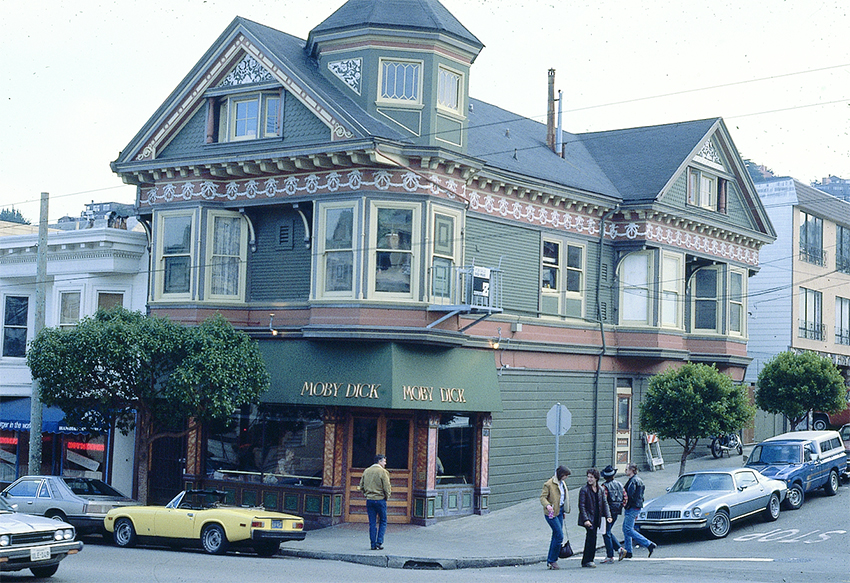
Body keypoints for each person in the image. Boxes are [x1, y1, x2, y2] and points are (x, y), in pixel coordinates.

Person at [622, 462, 657, 559]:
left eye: (627, 469)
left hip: (632, 507)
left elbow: (630, 496)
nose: (625, 471)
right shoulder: (636, 480)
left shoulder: (633, 482)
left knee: (628, 529)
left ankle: (648, 544)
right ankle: (628, 551)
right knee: (626, 529)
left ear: (632, 470)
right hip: (635, 507)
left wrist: (625, 504)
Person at [577, 468, 611, 568]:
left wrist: (608, 515)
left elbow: (604, 503)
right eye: (588, 477)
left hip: (597, 517)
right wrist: (586, 519)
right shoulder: (584, 490)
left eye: (591, 477)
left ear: (596, 478)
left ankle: (588, 560)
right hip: (589, 517)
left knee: (593, 538)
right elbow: (581, 506)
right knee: (591, 538)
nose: (589, 479)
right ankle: (588, 560)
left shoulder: (600, 489)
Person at [539, 465, 571, 570]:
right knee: (559, 535)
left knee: (556, 535)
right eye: (566, 475)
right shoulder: (548, 484)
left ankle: (550, 560)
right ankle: (553, 560)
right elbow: (542, 497)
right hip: (551, 512)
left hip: (560, 511)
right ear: (561, 475)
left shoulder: (562, 483)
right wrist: (547, 505)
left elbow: (562, 498)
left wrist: (564, 510)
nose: (567, 477)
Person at [358, 454, 392, 550]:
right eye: (384, 461)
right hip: (380, 500)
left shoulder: (366, 471)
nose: (385, 463)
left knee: (372, 523)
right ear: (379, 461)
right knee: (383, 521)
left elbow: (361, 486)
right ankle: (379, 541)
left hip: (370, 500)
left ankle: (372, 544)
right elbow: (387, 487)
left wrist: (366, 494)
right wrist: (387, 496)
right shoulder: (383, 472)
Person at [600, 465, 627, 563]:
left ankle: (610, 555)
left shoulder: (604, 487)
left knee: (606, 533)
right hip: (616, 511)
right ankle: (619, 549)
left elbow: (603, 501)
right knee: (608, 531)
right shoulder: (620, 484)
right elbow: (625, 498)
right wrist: (620, 506)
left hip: (607, 513)